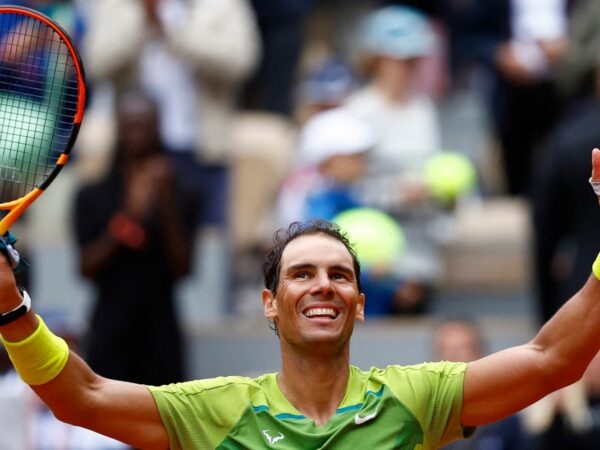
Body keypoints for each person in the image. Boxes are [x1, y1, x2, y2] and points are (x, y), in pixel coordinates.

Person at [3, 150, 600, 448]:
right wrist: (10, 307)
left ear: (360, 304)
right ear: (269, 304)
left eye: (340, 276)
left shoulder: (418, 398)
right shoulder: (216, 411)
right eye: (302, 274)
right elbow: (81, 399)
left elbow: (554, 360)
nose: (322, 285)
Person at [72, 91, 199, 386]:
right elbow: (86, 268)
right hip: (109, 326)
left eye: (145, 125)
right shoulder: (92, 195)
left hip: (162, 330)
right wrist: (128, 218)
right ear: (118, 128)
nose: (137, 135)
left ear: (158, 127)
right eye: (130, 126)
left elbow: (183, 268)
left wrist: (165, 204)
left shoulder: (184, 195)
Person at [432, 318, 526, 450]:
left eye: (462, 348)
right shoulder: (423, 417)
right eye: (445, 349)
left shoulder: (505, 415)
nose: (453, 357)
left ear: (480, 354)